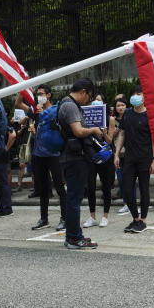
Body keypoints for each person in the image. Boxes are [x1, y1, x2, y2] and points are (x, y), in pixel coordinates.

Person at [57, 78, 101, 249]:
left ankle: (75, 235)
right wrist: (94, 129)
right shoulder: (70, 105)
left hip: (72, 157)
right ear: (83, 91)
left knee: (73, 198)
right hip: (74, 158)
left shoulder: (67, 103)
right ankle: (74, 238)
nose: (88, 101)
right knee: (74, 199)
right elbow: (78, 131)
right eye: (89, 97)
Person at [16, 84, 67, 230]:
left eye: (41, 93)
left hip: (54, 154)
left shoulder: (56, 110)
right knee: (43, 188)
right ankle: (43, 219)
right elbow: (18, 103)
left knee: (59, 187)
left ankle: (64, 218)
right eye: (37, 94)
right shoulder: (35, 110)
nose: (39, 96)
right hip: (38, 155)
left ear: (49, 95)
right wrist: (23, 86)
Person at [113, 85, 154, 233]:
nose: (136, 96)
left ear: (144, 96)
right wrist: (116, 154)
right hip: (129, 158)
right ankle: (135, 219)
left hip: (145, 158)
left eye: (139, 93)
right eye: (133, 94)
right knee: (127, 188)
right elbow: (122, 134)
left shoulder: (149, 115)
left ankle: (143, 221)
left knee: (144, 189)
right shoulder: (128, 114)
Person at [84, 96, 115, 228]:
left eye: (99, 100)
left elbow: (109, 141)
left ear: (104, 103)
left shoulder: (110, 119)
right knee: (90, 186)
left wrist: (104, 133)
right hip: (91, 156)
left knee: (106, 186)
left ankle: (105, 216)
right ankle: (92, 216)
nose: (96, 102)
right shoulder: (86, 117)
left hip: (105, 156)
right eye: (94, 100)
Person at [112, 97, 129, 215]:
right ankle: (125, 203)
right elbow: (110, 136)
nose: (121, 107)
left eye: (123, 105)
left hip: (130, 153)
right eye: (118, 105)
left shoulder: (131, 117)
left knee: (130, 179)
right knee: (121, 179)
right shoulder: (113, 120)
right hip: (118, 153)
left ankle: (131, 202)